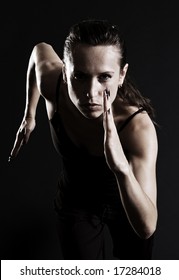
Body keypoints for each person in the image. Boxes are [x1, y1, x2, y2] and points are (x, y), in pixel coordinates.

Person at [9, 19, 158, 260]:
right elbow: (40, 51)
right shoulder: (53, 85)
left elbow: (147, 227)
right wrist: (29, 115)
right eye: (80, 76)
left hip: (128, 204)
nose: (91, 92)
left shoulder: (136, 128)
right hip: (76, 199)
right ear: (65, 74)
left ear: (121, 75)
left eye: (105, 77)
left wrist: (121, 168)